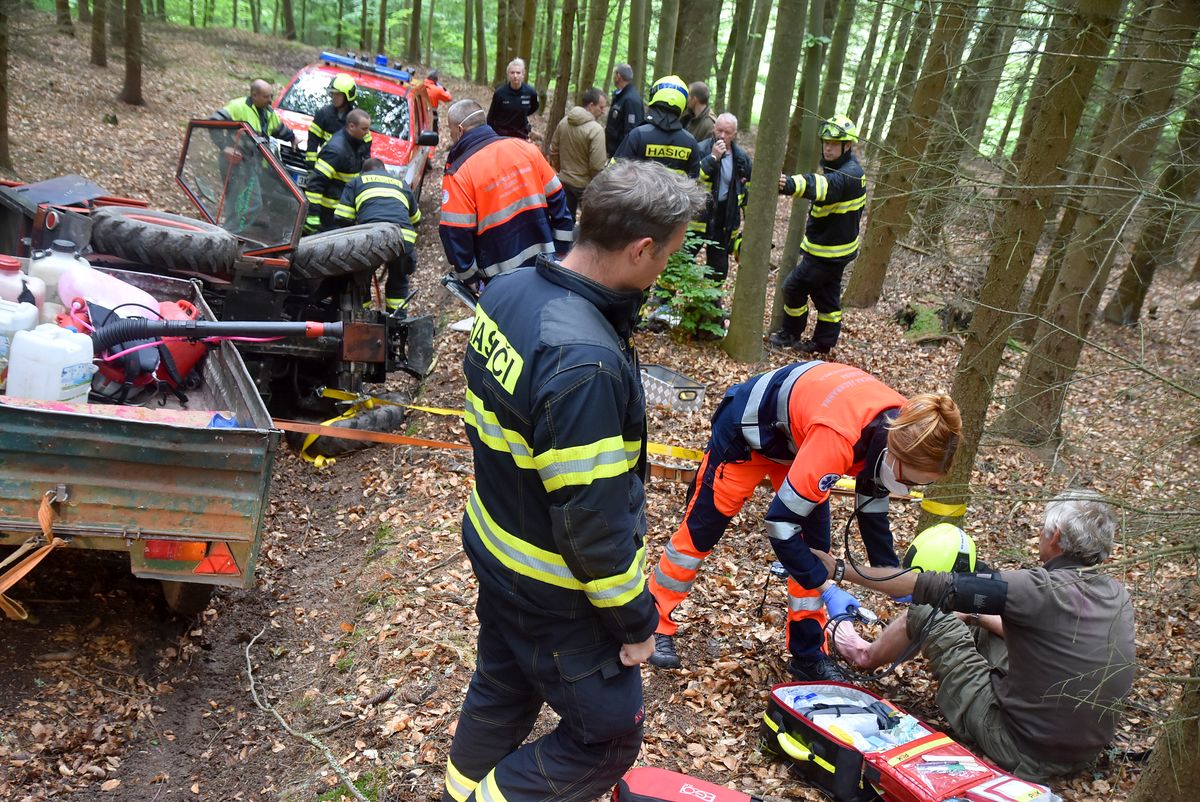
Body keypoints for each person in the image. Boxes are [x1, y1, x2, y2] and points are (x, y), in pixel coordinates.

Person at [440, 160, 707, 802]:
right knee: (607, 736)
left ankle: (459, 791)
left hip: (496, 544)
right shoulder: (582, 362)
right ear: (640, 249)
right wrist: (637, 623)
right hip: (553, 588)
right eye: (667, 255)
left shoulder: (510, 291)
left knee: (502, 686)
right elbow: (592, 522)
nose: (665, 268)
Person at [646, 361, 961, 682]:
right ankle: (652, 623)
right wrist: (827, 589)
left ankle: (808, 654)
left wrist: (896, 579)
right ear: (895, 455)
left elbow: (873, 516)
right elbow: (781, 526)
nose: (909, 489)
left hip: (799, 442)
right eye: (911, 480)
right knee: (701, 532)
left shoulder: (906, 426)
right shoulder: (843, 437)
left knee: (815, 549)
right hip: (746, 434)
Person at [815, 489, 1136, 782]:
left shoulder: (1038, 588)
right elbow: (1046, 638)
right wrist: (972, 613)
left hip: (1020, 748)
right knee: (984, 618)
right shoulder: (1116, 594)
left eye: (1043, 529)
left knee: (926, 609)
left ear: (1055, 538)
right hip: (1081, 752)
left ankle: (863, 653)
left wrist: (838, 571)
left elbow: (925, 586)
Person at [439, 99, 573, 288]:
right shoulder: (527, 149)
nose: (450, 135)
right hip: (545, 265)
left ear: (460, 130)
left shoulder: (458, 173)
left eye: (450, 130)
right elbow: (558, 198)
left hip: (500, 280)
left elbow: (455, 232)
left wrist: (470, 279)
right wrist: (561, 249)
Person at [770, 114, 867, 354]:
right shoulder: (846, 168)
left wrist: (788, 184)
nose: (828, 148)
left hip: (827, 253)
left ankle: (790, 333)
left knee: (793, 287)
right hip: (835, 250)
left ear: (847, 145)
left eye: (833, 144)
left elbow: (821, 185)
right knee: (827, 299)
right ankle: (823, 344)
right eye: (825, 143)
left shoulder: (849, 174)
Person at [333, 157, 420, 314]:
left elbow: (342, 217)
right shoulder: (401, 184)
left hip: (372, 239)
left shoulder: (357, 182)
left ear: (363, 172)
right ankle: (396, 321)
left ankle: (362, 317)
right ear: (384, 170)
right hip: (403, 238)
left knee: (360, 280)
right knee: (398, 282)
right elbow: (416, 219)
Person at [210, 80, 297, 234]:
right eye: (266, 97)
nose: (270, 100)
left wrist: (293, 138)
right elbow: (213, 122)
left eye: (271, 96)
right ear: (254, 95)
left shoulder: (268, 113)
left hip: (252, 165)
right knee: (249, 204)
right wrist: (225, 147)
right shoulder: (238, 106)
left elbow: (279, 129)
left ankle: (231, 233)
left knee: (243, 203)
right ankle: (228, 235)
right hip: (235, 164)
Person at [695, 113, 752, 286]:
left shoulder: (741, 158)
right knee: (684, 256)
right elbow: (693, 179)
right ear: (713, 129)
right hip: (698, 215)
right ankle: (665, 299)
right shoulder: (701, 149)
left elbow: (747, 192)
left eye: (727, 132)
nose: (722, 136)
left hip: (724, 217)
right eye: (719, 130)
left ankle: (710, 299)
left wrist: (750, 222)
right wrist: (712, 158)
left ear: (734, 134)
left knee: (718, 266)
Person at [613, 75, 700, 178]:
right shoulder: (690, 142)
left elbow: (614, 173)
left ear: (654, 96)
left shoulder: (638, 135)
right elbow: (694, 181)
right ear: (683, 104)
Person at [304, 108, 372, 233]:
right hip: (328, 214)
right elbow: (315, 183)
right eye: (364, 129)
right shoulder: (335, 150)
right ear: (351, 126)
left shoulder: (358, 143)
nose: (367, 133)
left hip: (342, 213)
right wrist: (312, 215)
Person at [547, 87, 608, 220]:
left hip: (564, 181)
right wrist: (596, 184)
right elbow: (596, 166)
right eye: (601, 107)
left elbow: (553, 151)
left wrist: (562, 170)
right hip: (585, 186)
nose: (603, 111)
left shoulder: (564, 122)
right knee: (589, 222)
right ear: (591, 106)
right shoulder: (596, 130)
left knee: (565, 220)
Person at [306, 74, 370, 165]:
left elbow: (366, 147)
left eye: (338, 94)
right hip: (326, 162)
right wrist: (311, 164)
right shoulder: (323, 114)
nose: (333, 97)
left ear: (348, 96)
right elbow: (313, 140)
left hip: (348, 168)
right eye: (332, 93)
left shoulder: (356, 118)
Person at [486, 58, 539, 139]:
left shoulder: (530, 92)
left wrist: (520, 113)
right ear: (508, 75)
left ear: (523, 74)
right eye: (512, 73)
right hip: (502, 134)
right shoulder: (500, 93)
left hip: (521, 134)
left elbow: (534, 107)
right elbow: (491, 116)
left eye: (518, 73)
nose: (515, 76)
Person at [606, 63, 645, 157]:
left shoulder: (631, 100)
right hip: (613, 152)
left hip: (621, 156)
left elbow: (631, 132)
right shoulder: (620, 96)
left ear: (618, 76)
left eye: (614, 74)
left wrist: (623, 157)